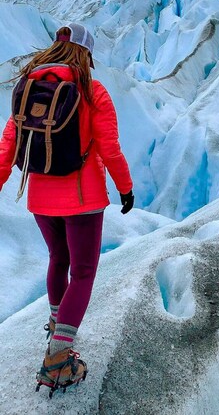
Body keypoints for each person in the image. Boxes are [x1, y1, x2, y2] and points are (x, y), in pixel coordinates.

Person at [0, 23, 134, 395]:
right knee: (85, 272)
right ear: (85, 54)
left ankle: (56, 326)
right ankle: (59, 359)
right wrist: (125, 188)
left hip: (40, 197)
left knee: (58, 260)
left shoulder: (27, 86)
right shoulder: (92, 90)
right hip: (83, 199)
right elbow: (109, 148)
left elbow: (7, 146)